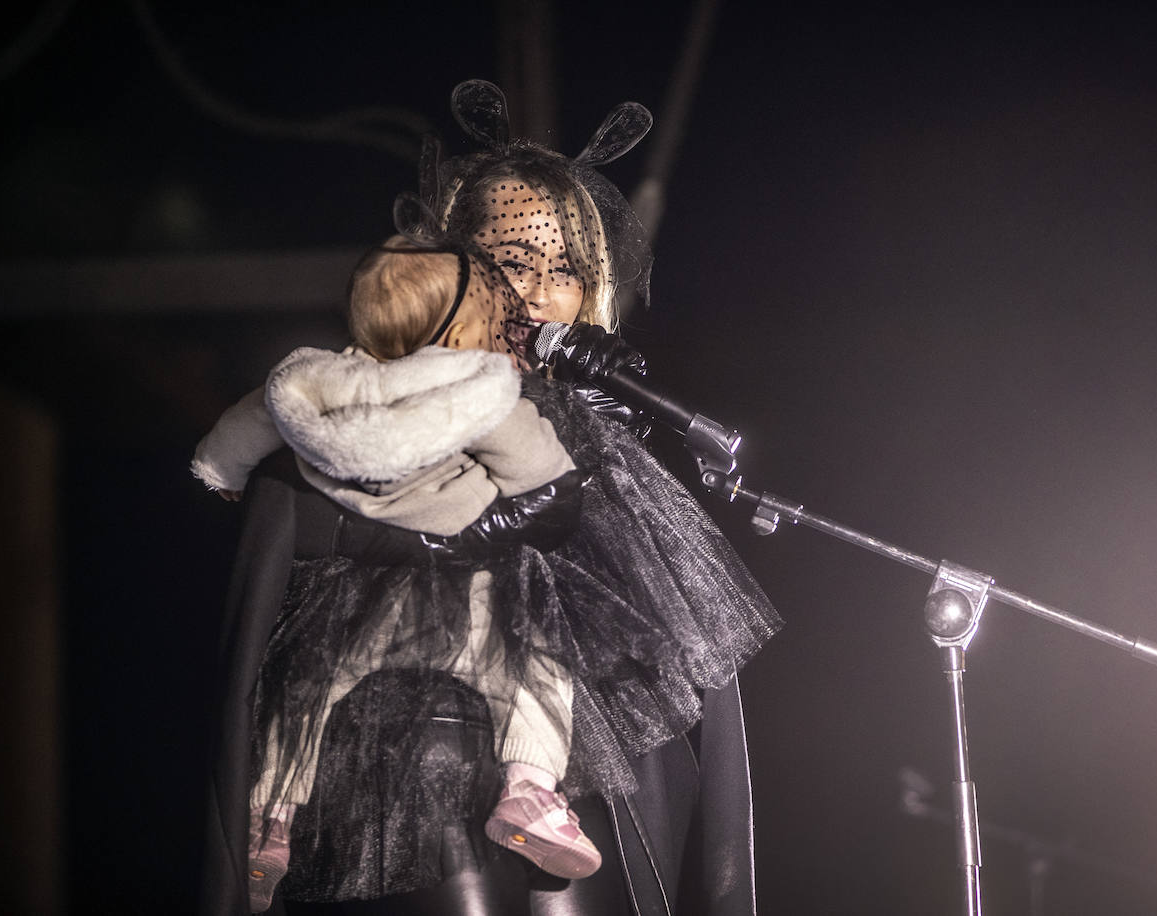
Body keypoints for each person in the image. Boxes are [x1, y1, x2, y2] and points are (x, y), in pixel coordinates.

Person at [198, 80, 780, 916]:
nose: (541, 291)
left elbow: (705, 724)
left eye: (567, 270)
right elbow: (261, 610)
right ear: (451, 270)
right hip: (378, 823)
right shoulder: (347, 419)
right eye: (513, 260)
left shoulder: (612, 459)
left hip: (577, 832)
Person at [194, 236, 609, 911]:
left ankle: (271, 821)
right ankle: (531, 792)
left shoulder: (312, 385)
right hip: (470, 599)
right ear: (464, 332)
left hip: (351, 608)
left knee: (302, 691)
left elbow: (241, 431)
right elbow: (546, 478)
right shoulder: (478, 396)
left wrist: (221, 474)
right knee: (538, 666)